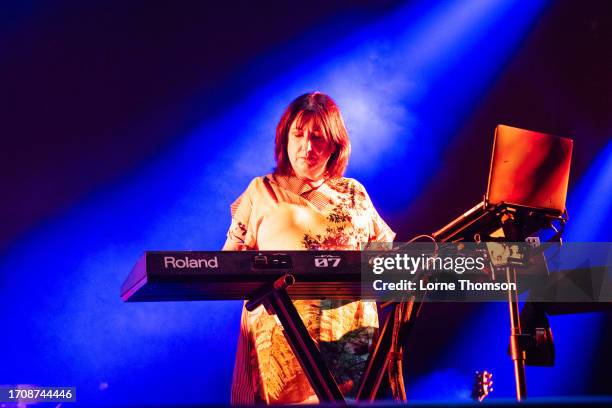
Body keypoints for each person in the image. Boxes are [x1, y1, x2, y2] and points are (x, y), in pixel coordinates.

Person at [223, 92, 395, 404]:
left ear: (335, 144)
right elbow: (227, 266)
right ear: (284, 137)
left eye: (318, 137)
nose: (307, 147)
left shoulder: (353, 192)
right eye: (298, 135)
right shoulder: (261, 191)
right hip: (284, 347)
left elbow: (387, 257)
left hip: (349, 346)